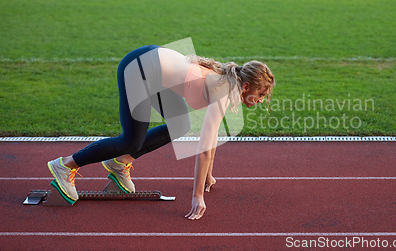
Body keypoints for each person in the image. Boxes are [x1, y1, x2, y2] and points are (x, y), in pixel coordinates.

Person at [47, 44, 275, 220]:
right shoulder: (223, 90)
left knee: (180, 125)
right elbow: (204, 149)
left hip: (154, 69)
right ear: (246, 87)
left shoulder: (228, 86)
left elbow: (211, 140)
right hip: (138, 68)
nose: (261, 100)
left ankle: (119, 163)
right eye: (261, 94)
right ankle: (66, 164)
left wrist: (208, 175)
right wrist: (197, 196)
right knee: (130, 140)